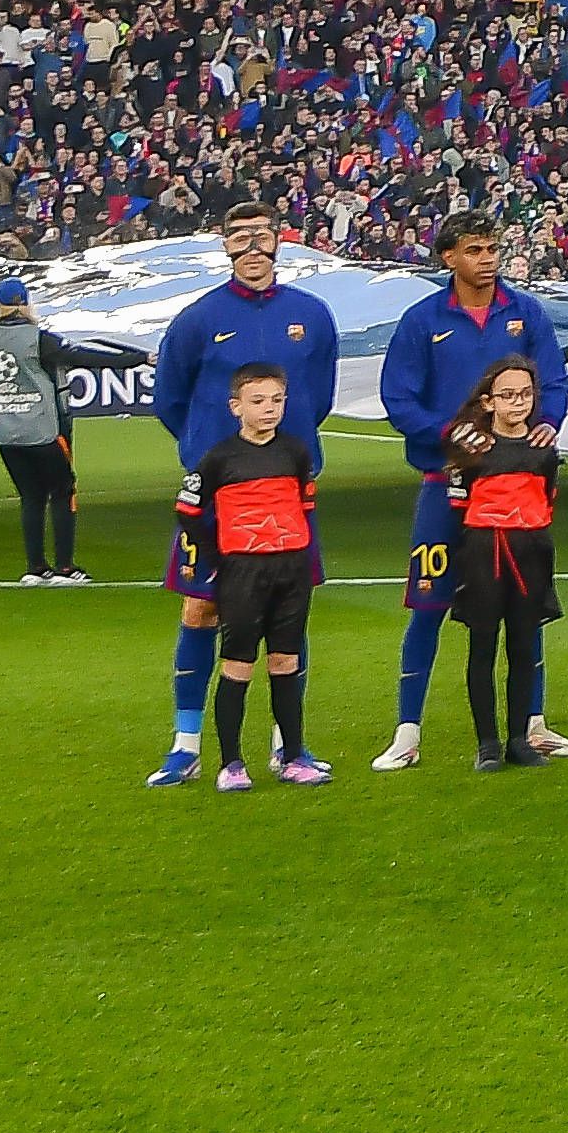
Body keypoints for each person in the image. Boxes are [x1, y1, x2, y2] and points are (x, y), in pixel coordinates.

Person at [151, 212, 343, 788]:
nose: (253, 247)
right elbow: (169, 399)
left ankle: (289, 746)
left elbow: (320, 396)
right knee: (201, 609)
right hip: (219, 497)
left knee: (290, 608)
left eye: (263, 235)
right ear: (226, 246)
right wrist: (215, 456)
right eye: (241, 238)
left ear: (279, 240)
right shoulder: (198, 318)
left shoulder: (311, 315)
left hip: (286, 492)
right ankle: (186, 745)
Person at [376, 207, 568, 770]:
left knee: (525, 610)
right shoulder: (422, 319)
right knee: (429, 604)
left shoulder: (525, 312)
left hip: (515, 490)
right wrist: (451, 436)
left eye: (492, 249)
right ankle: (407, 732)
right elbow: (399, 398)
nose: (487, 260)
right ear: (449, 257)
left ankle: (532, 727)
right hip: (446, 486)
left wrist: (547, 421)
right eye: (476, 251)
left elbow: (552, 380)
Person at [188, 359, 333, 789]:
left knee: (286, 661)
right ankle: (231, 764)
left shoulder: (295, 452)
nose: (269, 409)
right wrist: (222, 556)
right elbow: (189, 511)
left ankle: (292, 757)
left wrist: (297, 552)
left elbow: (306, 508)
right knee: (238, 664)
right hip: (242, 573)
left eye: (277, 400)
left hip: (291, 571)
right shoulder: (219, 458)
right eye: (258, 401)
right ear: (236, 407)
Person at [446, 357, 568, 766]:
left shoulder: (543, 452)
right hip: (483, 552)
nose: (518, 403)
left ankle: (518, 739)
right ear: (488, 401)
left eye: (526, 394)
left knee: (523, 645)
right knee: (482, 646)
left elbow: (548, 499)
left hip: (532, 550)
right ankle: (487, 744)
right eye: (508, 395)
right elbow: (457, 504)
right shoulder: (470, 449)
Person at [0, 272, 83, 585]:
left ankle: (35, 568)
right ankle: (65, 568)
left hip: (7, 432)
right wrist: (135, 359)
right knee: (64, 492)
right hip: (43, 430)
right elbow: (81, 357)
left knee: (31, 497)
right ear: (26, 303)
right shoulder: (39, 338)